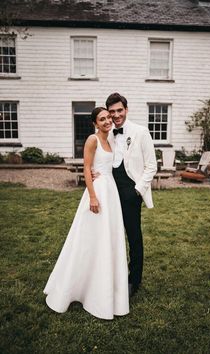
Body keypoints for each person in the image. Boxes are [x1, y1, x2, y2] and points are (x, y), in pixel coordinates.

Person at [43, 107, 129, 320]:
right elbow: (87, 169)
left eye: (109, 117)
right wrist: (92, 196)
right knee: (89, 239)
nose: (108, 121)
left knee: (107, 239)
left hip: (111, 193)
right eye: (102, 119)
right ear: (95, 123)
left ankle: (103, 287)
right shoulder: (93, 140)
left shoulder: (111, 141)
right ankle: (76, 288)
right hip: (98, 192)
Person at [106, 93, 157, 297]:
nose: (116, 115)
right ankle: (112, 275)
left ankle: (133, 280)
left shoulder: (141, 132)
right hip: (110, 189)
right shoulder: (107, 132)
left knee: (133, 236)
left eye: (119, 110)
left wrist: (138, 190)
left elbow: (151, 166)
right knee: (111, 235)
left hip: (130, 191)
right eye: (112, 112)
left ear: (126, 109)